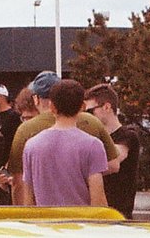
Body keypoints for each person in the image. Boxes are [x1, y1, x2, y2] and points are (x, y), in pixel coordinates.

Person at [8, 71, 117, 204]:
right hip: (82, 222)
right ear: (82, 107)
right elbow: (98, 199)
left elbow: (25, 194)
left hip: (44, 222)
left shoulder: (31, 144)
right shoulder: (93, 144)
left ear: (52, 107)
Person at [83, 82, 143, 218]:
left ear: (107, 107)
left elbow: (115, 159)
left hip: (119, 214)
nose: (87, 117)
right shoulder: (91, 137)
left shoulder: (128, 135)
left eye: (90, 112)